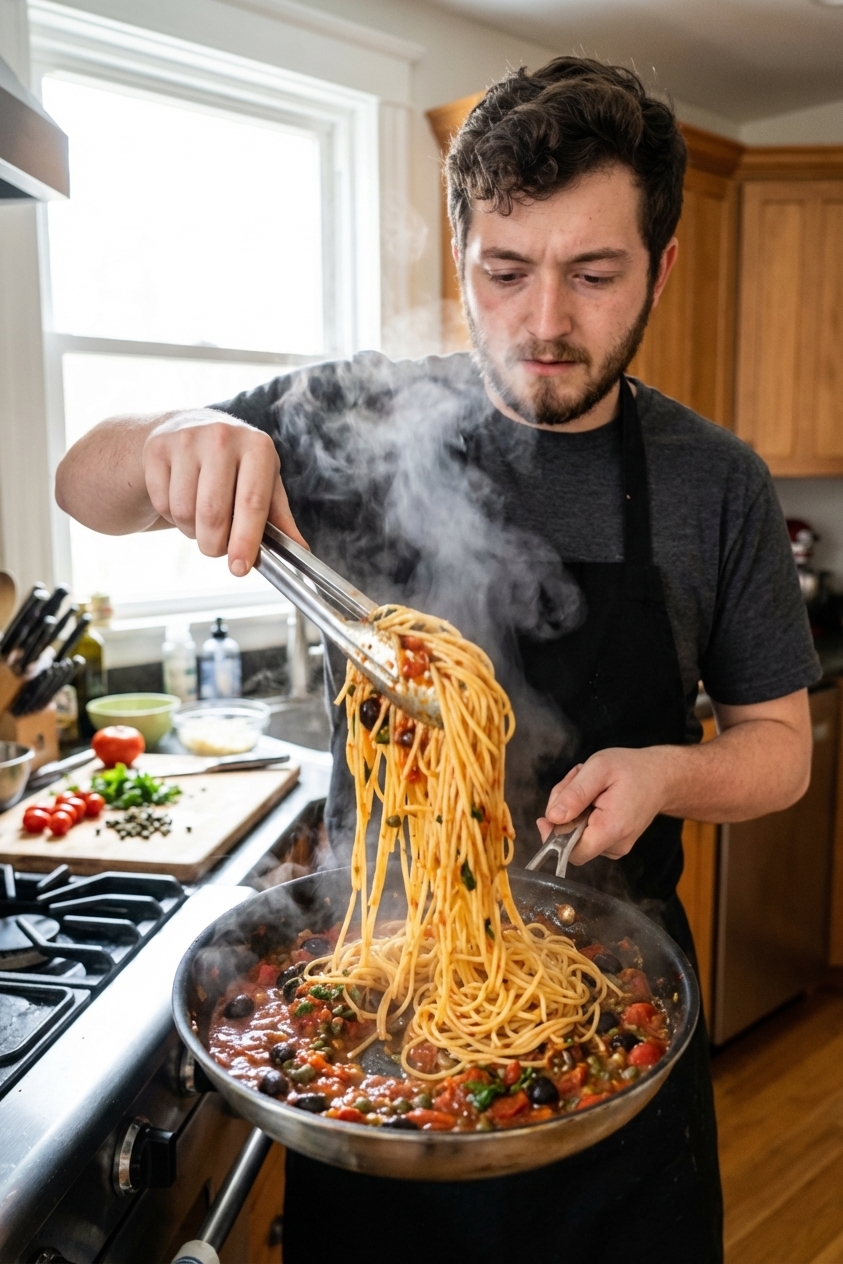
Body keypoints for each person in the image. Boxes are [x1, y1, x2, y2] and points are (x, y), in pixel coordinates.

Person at [56, 57, 818, 1264]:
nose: (545, 322)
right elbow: (81, 482)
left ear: (661, 268)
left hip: (612, 1003)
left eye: (595, 273)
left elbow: (782, 750)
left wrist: (668, 775)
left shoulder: (714, 482)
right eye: (505, 272)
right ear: (461, 251)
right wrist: (168, 434)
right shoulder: (356, 419)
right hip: (375, 1017)